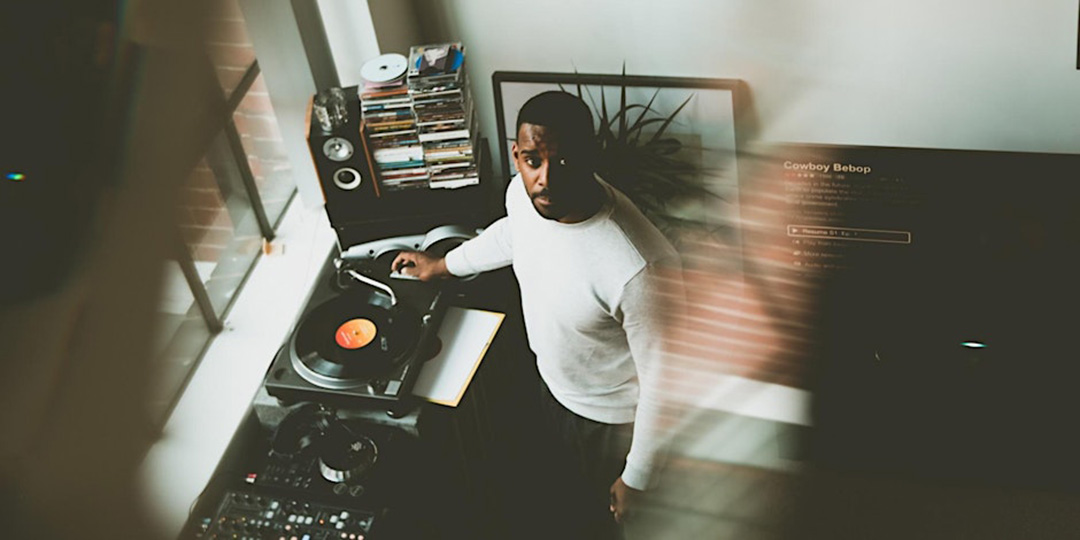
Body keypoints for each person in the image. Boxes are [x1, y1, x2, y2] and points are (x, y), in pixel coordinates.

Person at [393, 91, 680, 538]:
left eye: (564, 163)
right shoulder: (523, 197)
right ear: (517, 156)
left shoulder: (638, 266)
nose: (545, 179)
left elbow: (667, 379)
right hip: (552, 389)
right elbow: (511, 237)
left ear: (590, 157)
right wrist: (441, 266)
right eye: (532, 161)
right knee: (560, 506)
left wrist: (637, 476)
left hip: (611, 424)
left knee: (609, 526)